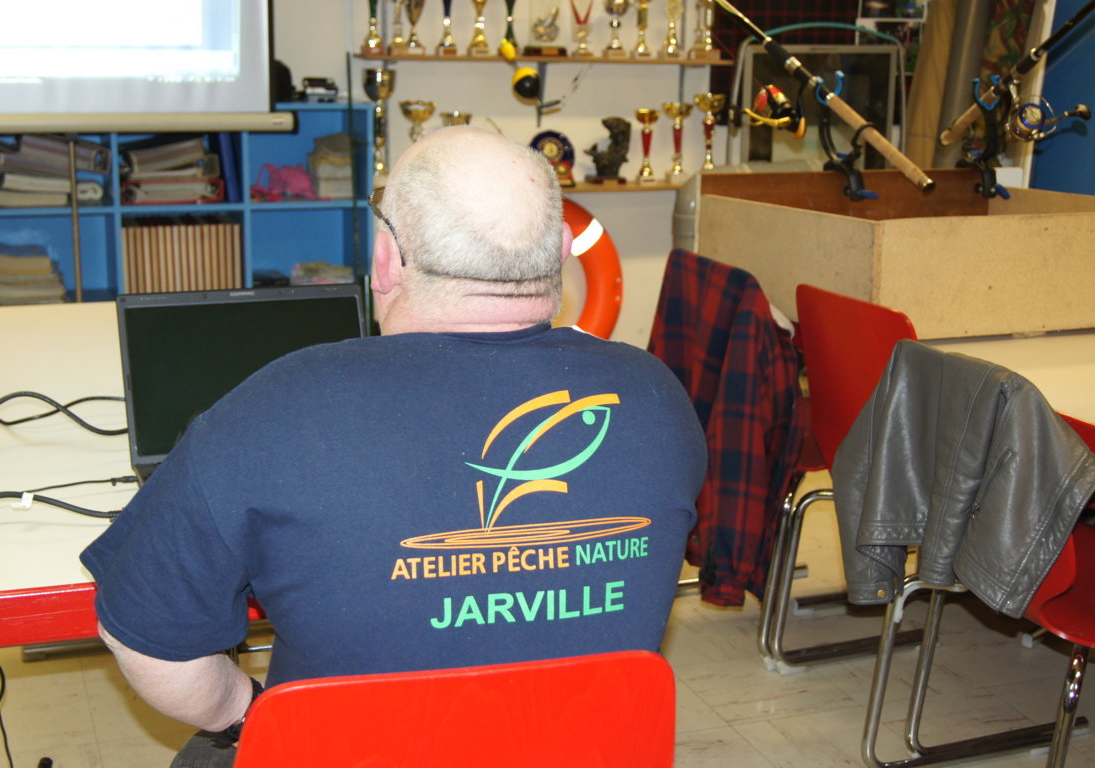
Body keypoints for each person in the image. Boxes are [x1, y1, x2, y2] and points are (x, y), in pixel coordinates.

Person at [80, 126, 707, 766]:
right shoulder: (658, 398)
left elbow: (147, 638)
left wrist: (245, 712)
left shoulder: (277, 408)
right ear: (565, 249)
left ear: (385, 260)